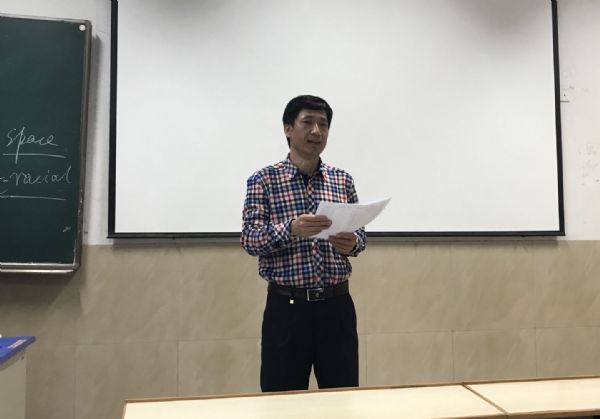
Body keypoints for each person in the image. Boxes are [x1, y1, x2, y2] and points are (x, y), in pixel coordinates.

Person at [241, 95, 367, 392]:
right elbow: (250, 239)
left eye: (323, 124)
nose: (316, 131)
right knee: (282, 400)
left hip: (337, 307)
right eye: (307, 122)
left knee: (342, 397)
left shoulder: (342, 180)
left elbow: (360, 237)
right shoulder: (264, 180)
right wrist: (291, 229)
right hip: (287, 309)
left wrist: (352, 244)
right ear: (288, 128)